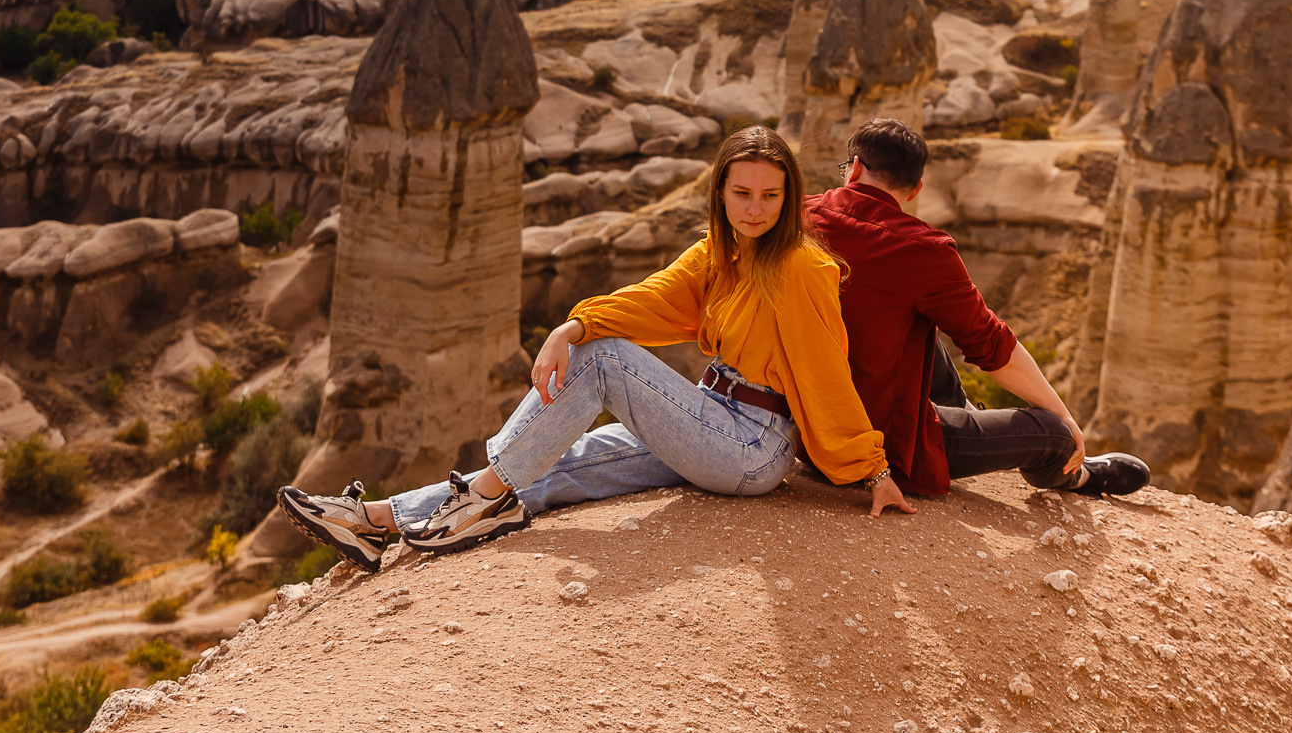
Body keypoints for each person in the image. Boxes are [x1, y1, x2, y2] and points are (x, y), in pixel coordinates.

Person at [278, 125, 910, 570]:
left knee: (604, 361)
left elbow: (827, 373)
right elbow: (654, 298)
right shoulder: (722, 253)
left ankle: (486, 499)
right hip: (707, 417)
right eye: (742, 193)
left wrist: (871, 471)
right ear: (720, 191)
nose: (756, 207)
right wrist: (572, 327)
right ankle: (376, 523)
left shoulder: (801, 266)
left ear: (789, 196)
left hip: (752, 447)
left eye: (771, 195)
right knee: (552, 458)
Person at [807, 118, 1150, 501]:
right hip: (881, 445)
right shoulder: (923, 250)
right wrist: (1066, 419)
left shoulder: (801, 215)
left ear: (853, 168)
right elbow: (993, 346)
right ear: (916, 189)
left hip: (805, 428)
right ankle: (1075, 475)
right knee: (1051, 432)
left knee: (913, 322)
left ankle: (968, 414)